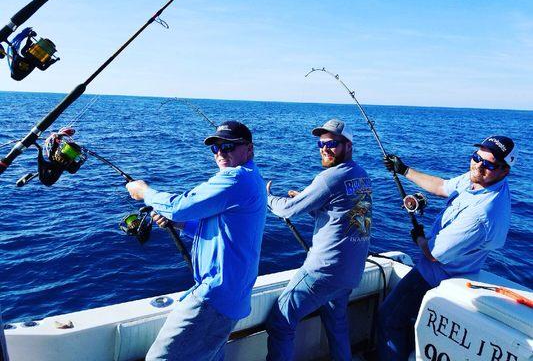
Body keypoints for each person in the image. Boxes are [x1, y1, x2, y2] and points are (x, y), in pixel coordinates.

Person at [126, 120, 267, 361]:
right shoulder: (250, 179)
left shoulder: (236, 178)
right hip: (232, 295)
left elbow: (178, 206)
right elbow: (219, 230)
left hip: (215, 296)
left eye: (229, 147)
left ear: (249, 149)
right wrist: (177, 223)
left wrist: (144, 192)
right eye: (216, 148)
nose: (221, 152)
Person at [377, 135, 517, 361]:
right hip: (449, 270)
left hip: (435, 276)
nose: (479, 166)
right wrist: (404, 170)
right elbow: (442, 186)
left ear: (504, 170)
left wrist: (419, 238)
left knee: (387, 319)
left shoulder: (483, 214)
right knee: (404, 322)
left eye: (489, 164)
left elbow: (433, 255)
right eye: (476, 158)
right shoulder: (480, 180)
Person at [265, 118, 373, 361]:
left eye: (332, 143)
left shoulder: (330, 178)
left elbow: (288, 210)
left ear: (348, 146)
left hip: (324, 271)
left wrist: (268, 196)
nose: (325, 148)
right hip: (350, 271)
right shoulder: (361, 174)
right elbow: (347, 213)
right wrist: (311, 201)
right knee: (338, 327)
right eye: (321, 144)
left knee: (280, 322)